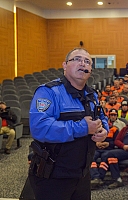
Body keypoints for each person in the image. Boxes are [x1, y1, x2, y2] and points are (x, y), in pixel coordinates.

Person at [28, 48, 108, 200]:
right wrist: (83, 127)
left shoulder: (92, 95)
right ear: (64, 65)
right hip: (53, 176)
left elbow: (101, 117)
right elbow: (40, 128)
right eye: (77, 59)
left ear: (90, 69)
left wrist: (103, 130)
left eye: (87, 61)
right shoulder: (49, 92)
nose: (82, 63)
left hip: (82, 174)